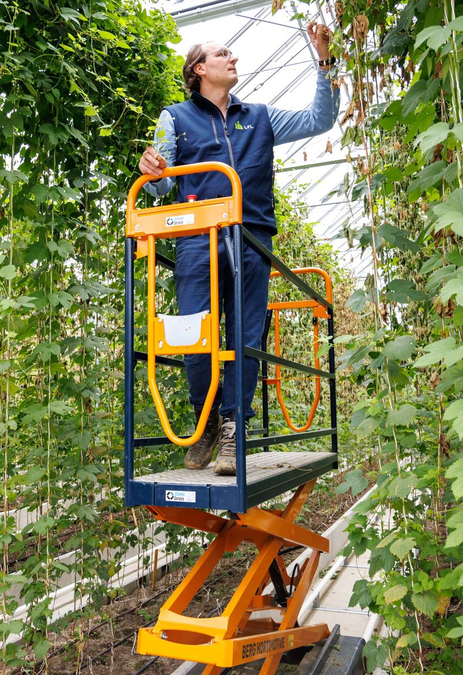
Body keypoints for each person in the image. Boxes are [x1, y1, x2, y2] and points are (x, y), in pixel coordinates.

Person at [137, 23, 339, 476]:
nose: (234, 58)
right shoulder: (175, 117)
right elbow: (162, 183)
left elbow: (319, 120)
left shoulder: (261, 116)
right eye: (223, 53)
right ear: (199, 69)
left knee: (246, 336)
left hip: (250, 238)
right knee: (194, 335)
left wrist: (325, 60)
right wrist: (152, 168)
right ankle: (206, 418)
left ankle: (233, 427)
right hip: (196, 240)